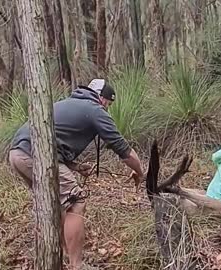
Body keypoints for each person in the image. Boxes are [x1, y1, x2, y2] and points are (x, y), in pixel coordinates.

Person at [8, 79, 144, 269]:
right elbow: (124, 150)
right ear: (102, 99)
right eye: (108, 104)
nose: (108, 108)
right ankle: (77, 265)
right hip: (34, 156)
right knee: (76, 202)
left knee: (53, 204)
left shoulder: (67, 103)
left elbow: (52, 143)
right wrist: (140, 172)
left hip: (17, 154)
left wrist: (76, 167)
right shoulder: (94, 109)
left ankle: (56, 258)